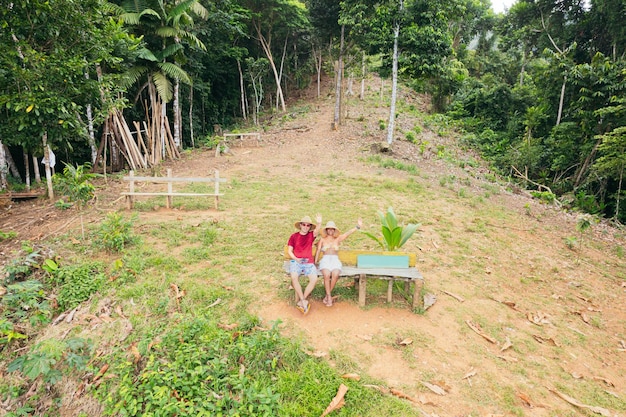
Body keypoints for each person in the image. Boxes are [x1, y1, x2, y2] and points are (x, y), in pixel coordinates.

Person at [315, 218, 362, 306]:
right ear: (326, 230)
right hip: (325, 260)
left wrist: (357, 226)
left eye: (332, 229)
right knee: (327, 275)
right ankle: (329, 297)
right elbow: (318, 251)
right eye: (329, 229)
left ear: (334, 230)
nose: (330, 230)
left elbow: (347, 234)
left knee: (335, 275)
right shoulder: (322, 239)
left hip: (335, 260)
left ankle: (327, 296)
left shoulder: (338, 239)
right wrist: (315, 262)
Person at [287, 214, 322, 314]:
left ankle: (302, 300)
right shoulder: (294, 236)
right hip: (296, 261)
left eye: (308, 225)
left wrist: (319, 222)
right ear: (300, 225)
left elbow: (317, 231)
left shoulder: (311, 235)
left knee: (314, 279)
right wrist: (296, 259)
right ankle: (303, 300)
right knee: (294, 277)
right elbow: (290, 251)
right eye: (304, 225)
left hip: (308, 262)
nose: (306, 227)